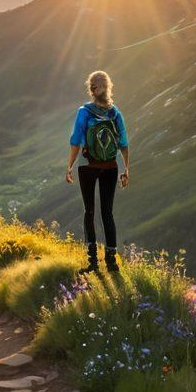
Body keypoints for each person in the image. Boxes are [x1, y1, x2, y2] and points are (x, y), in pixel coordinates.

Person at [65, 70, 129, 273]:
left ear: (92, 89)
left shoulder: (84, 111)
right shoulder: (115, 112)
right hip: (111, 167)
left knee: (89, 212)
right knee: (107, 213)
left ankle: (92, 262)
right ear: (108, 87)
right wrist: (127, 169)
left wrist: (69, 166)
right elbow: (123, 142)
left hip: (89, 168)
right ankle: (112, 263)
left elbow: (76, 140)